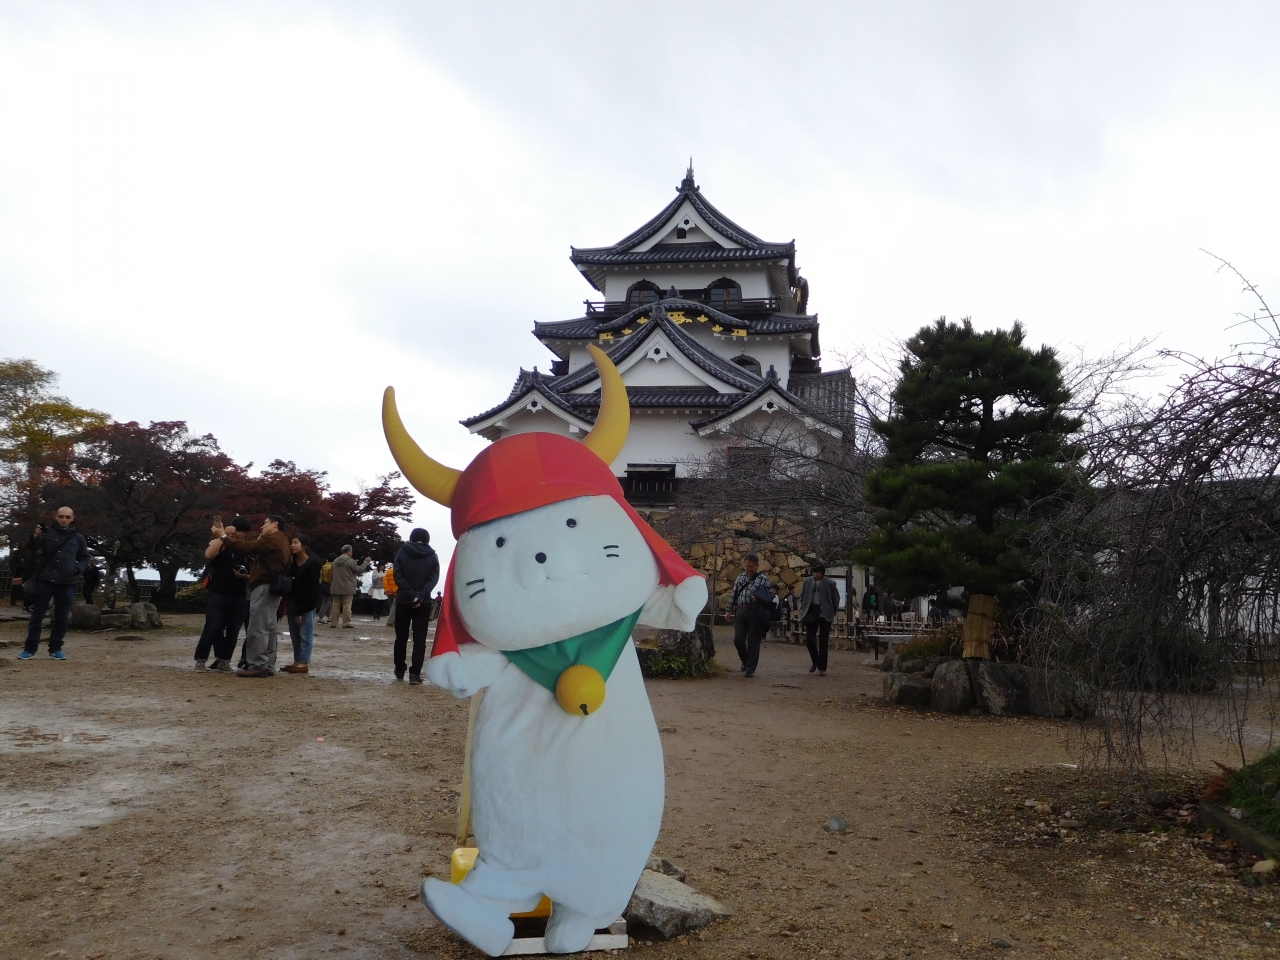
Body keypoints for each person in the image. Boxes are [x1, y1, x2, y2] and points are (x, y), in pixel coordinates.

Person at [213, 514, 292, 678]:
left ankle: (258, 664)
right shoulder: (283, 540)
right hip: (274, 587)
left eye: (265, 523)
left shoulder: (272, 538)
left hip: (264, 586)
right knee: (269, 627)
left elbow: (248, 547)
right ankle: (268, 664)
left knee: (258, 627)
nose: (262, 527)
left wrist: (223, 536)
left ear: (275, 524)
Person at [19, 506, 90, 660]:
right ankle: (30, 649)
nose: (64, 520)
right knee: (37, 617)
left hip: (67, 582)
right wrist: (35, 537)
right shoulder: (46, 534)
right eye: (61, 516)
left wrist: (77, 569)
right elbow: (31, 547)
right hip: (46, 580)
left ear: (72, 518)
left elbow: (85, 557)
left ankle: (56, 648)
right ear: (56, 517)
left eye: (67, 517)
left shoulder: (78, 538)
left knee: (62, 618)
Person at [193, 516, 252, 671]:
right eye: (238, 530)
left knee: (233, 631)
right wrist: (222, 535)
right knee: (212, 627)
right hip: (218, 593)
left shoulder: (245, 548)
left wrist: (245, 576)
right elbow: (208, 554)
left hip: (239, 594)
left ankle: (224, 660)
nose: (241, 534)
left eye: (244, 532)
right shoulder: (221, 543)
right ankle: (201, 660)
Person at [391, 528, 440, 682]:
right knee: (420, 639)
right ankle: (415, 673)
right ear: (427, 539)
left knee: (401, 637)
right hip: (423, 602)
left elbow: (397, 575)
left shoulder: (402, 552)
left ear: (411, 538)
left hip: (403, 600)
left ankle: (400, 668)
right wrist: (420, 595)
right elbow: (433, 579)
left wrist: (410, 594)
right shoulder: (432, 555)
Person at [725, 553, 773, 678]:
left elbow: (769, 598)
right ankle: (745, 660)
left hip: (755, 613)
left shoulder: (764, 580)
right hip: (741, 611)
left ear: (757, 566)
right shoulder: (740, 577)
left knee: (753, 642)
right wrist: (729, 610)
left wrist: (759, 599)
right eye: (747, 566)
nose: (749, 568)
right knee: (738, 640)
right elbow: (734, 594)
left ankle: (751, 668)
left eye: (751, 566)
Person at [282, 533, 322, 673]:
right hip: (293, 601)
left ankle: (304, 662)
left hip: (307, 603)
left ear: (304, 545)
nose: (292, 545)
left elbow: (312, 590)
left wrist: (301, 610)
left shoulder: (313, 564)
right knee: (294, 634)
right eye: (291, 543)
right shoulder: (291, 561)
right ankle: (297, 660)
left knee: (305, 634)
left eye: (296, 542)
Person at [799, 562, 841, 676]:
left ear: (822, 572)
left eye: (818, 572)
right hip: (811, 613)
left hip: (825, 614)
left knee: (823, 642)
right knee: (810, 641)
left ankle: (822, 667)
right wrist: (804, 607)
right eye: (814, 572)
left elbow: (836, 598)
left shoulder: (830, 583)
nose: (816, 574)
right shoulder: (807, 581)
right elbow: (802, 596)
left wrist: (833, 611)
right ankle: (815, 660)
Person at [328, 545, 371, 629]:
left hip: (336, 586)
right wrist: (366, 562)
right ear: (348, 551)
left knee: (335, 605)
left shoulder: (335, 561)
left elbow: (331, 574)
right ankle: (346, 623)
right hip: (348, 587)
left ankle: (333, 623)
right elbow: (358, 570)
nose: (352, 553)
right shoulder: (350, 561)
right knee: (347, 605)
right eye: (351, 551)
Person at [317, 557, 333, 623]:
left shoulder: (324, 566)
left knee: (327, 601)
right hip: (329, 585)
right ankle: (320, 617)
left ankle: (329, 616)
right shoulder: (331, 567)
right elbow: (331, 577)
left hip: (323, 584)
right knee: (326, 602)